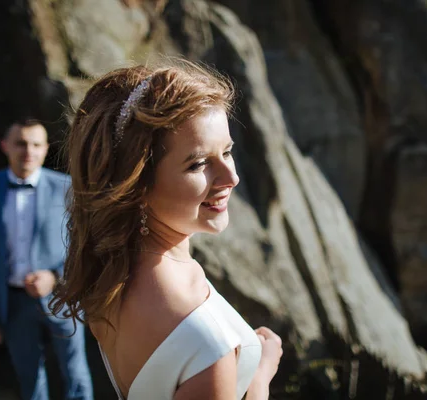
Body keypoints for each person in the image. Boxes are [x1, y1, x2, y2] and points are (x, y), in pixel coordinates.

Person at [49, 61, 283, 400]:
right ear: (136, 182)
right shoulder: (205, 342)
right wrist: (261, 373)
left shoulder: (111, 272)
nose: (231, 178)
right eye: (199, 163)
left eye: (227, 152)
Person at [0, 119, 93, 400]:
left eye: (36, 144)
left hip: (62, 297)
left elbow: (84, 246)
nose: (29, 151)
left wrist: (55, 276)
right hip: (12, 302)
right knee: (29, 377)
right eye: (21, 143)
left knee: (76, 373)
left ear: (46, 148)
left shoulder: (67, 187)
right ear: (5, 146)